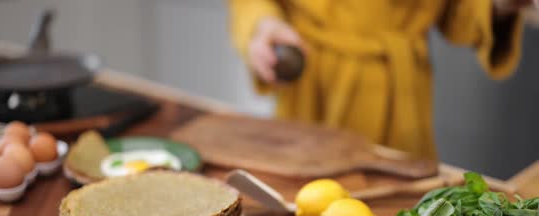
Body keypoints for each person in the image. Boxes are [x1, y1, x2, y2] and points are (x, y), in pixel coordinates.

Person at [228, 0, 535, 159]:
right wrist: (261, 23)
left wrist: (501, 4)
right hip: (312, 95)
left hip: (398, 107)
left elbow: (459, 13)